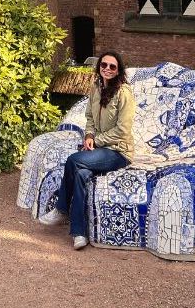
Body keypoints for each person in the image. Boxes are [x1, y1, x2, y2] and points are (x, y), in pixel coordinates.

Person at [39, 50, 135, 250]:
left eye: (112, 66)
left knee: (74, 160)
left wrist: (97, 141)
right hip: (98, 147)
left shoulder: (124, 93)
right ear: (99, 67)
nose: (107, 69)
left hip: (119, 152)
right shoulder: (96, 88)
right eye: (104, 65)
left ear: (118, 71)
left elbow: (123, 130)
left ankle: (61, 209)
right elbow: (90, 118)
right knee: (81, 173)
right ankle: (79, 233)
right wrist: (89, 136)